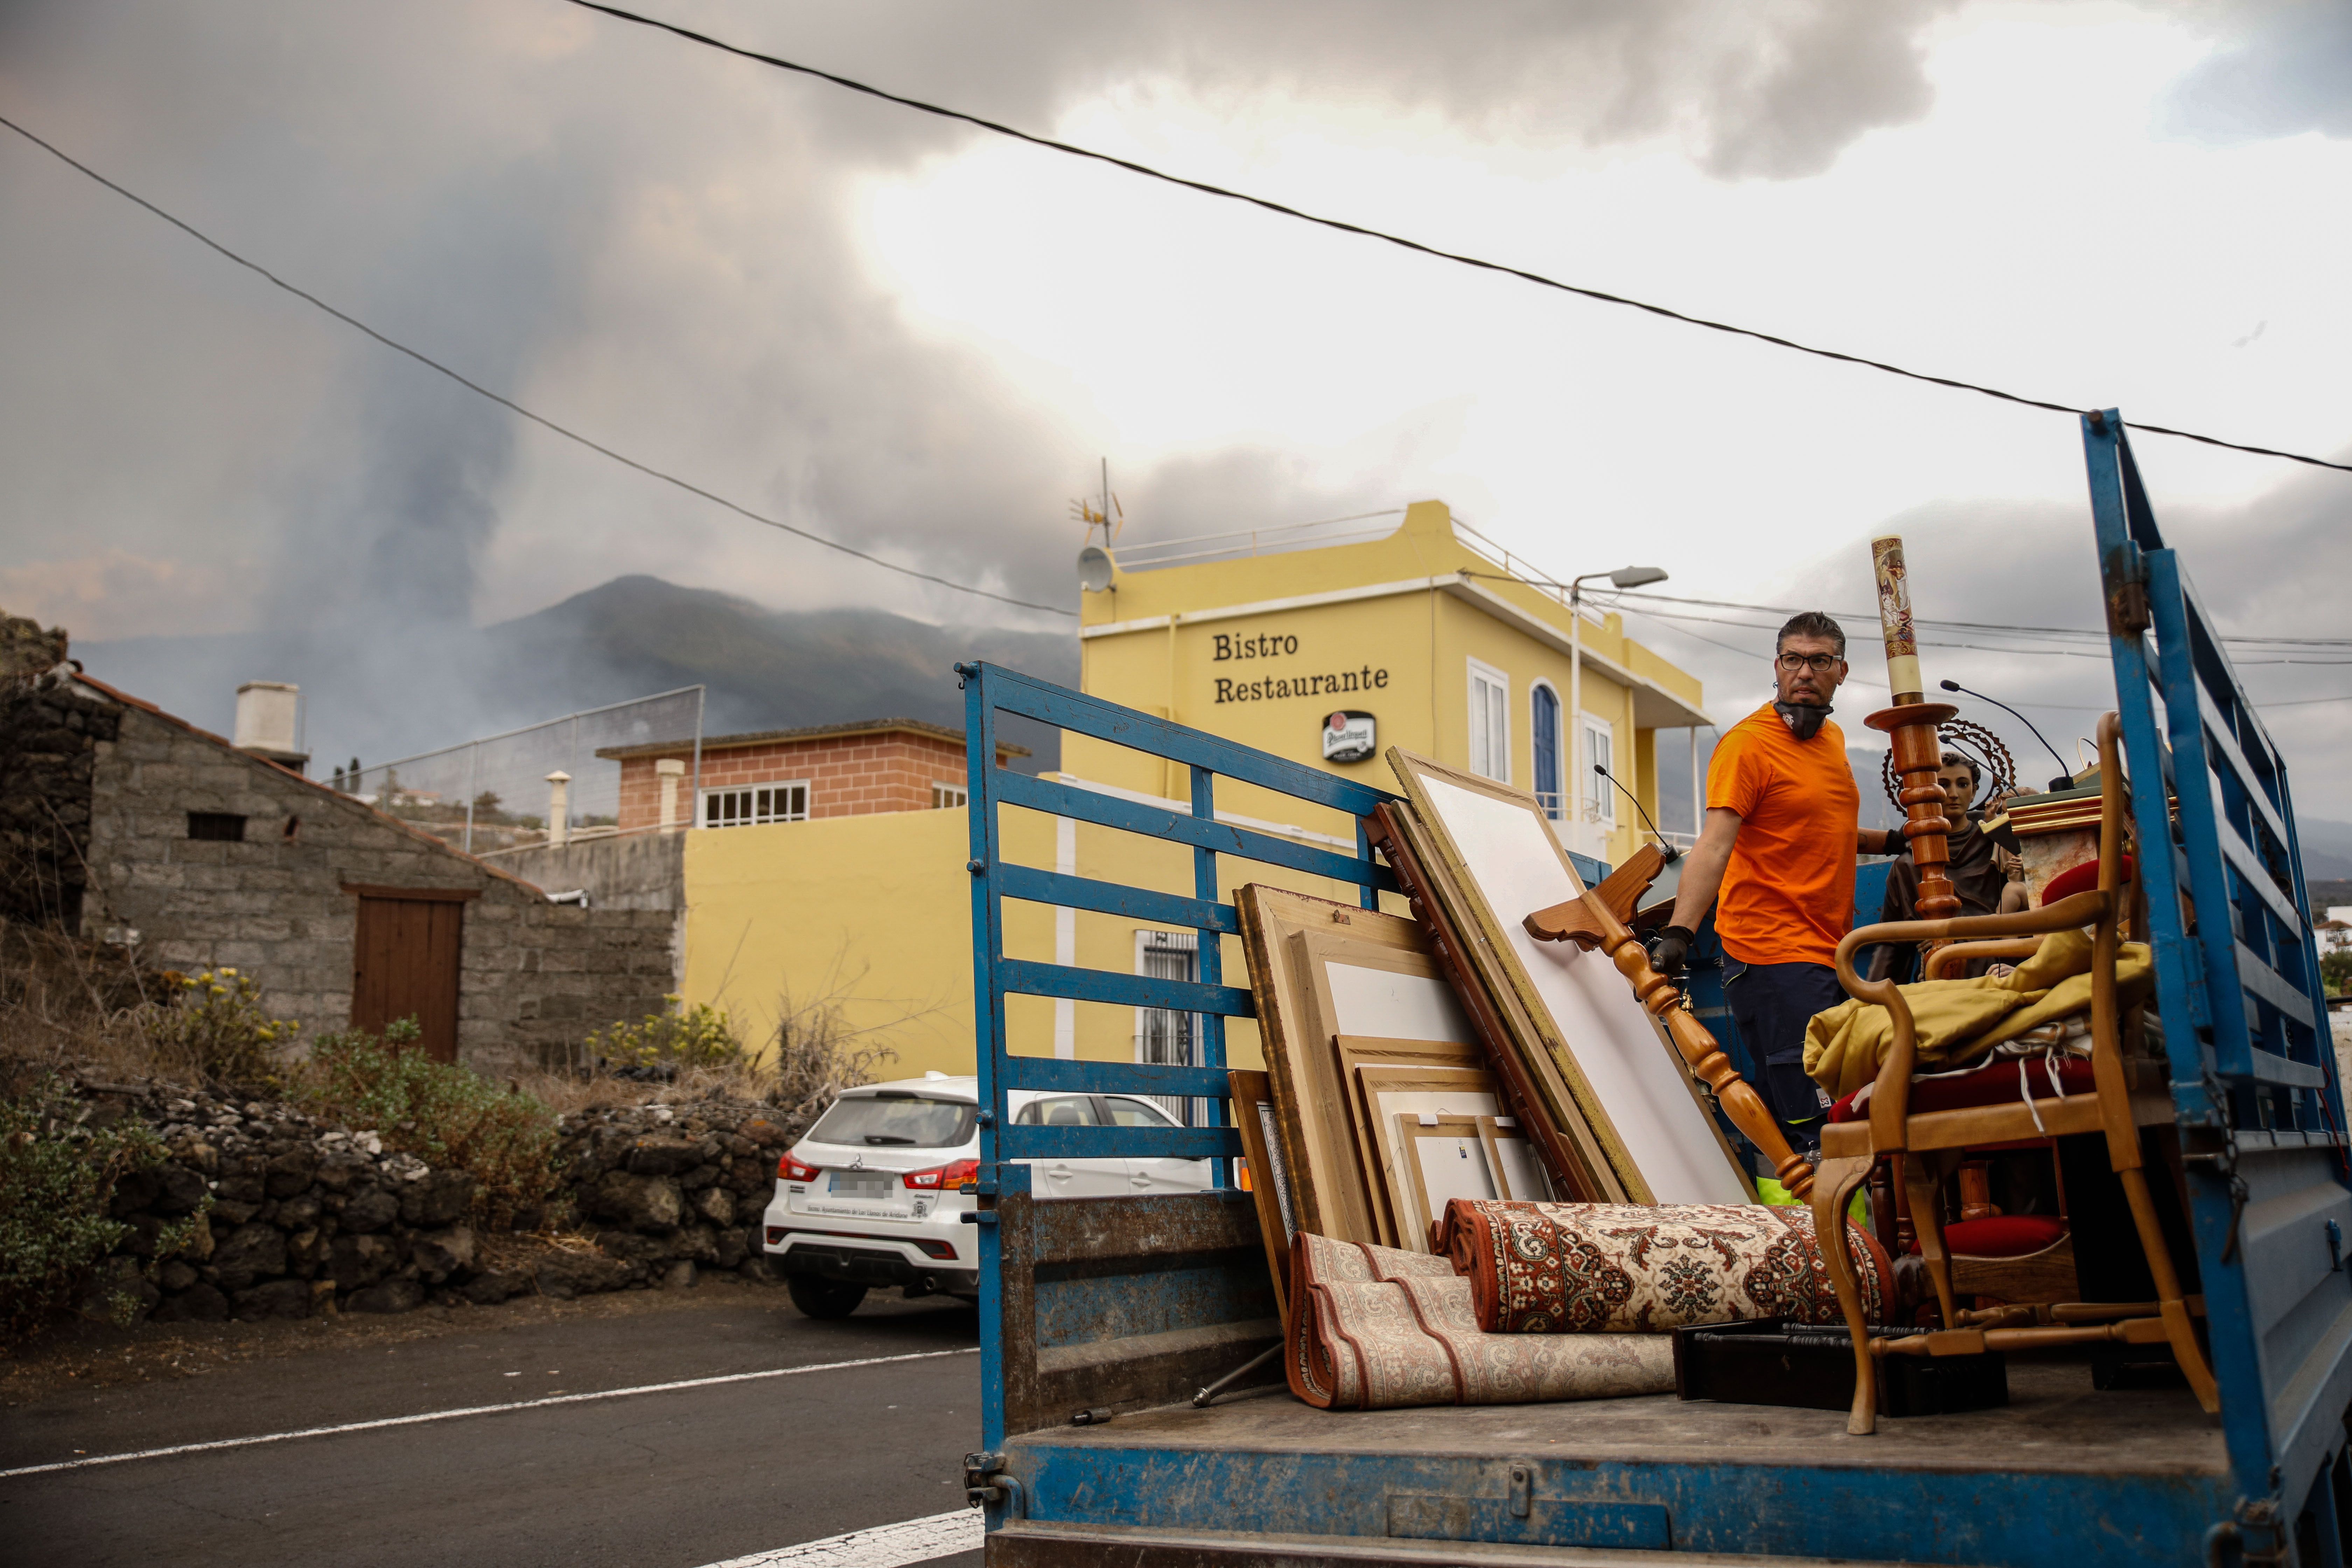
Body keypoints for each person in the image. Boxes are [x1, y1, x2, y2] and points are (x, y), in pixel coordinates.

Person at [1653, 611, 1904, 1162]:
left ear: (1841, 670)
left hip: (1828, 950)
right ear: (1777, 666)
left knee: (1838, 1112)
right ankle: (1822, 1241)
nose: (1805, 671)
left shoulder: (1833, 740)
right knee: (1814, 1128)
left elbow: (1817, 825)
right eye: (1793, 659)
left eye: (1818, 660)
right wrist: (1678, 932)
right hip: (1771, 953)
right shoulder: (1748, 745)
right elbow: (1715, 844)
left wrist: (1894, 841)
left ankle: (1838, 1238)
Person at [1865, 750, 2029, 981]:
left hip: (2002, 965)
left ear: (1974, 792)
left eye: (1963, 784)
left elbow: (2035, 900)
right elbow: (1892, 942)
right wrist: (1872, 1000)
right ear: (1927, 793)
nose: (1953, 794)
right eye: (1943, 785)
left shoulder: (1999, 841)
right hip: (1943, 971)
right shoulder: (1909, 863)